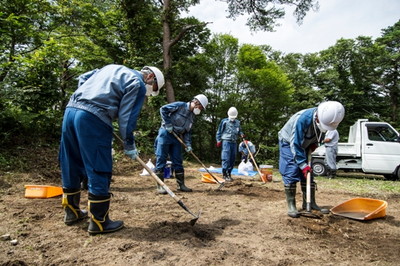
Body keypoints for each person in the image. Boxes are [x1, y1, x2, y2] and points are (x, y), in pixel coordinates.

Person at [59, 64, 165, 234]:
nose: (148, 92)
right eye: (153, 88)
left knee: (71, 161)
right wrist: (129, 144)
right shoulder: (137, 83)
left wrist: (86, 100)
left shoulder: (111, 68)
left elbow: (83, 78)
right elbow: (127, 116)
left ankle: (71, 212)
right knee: (98, 165)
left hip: (71, 110)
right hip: (93, 119)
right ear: (150, 77)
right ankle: (99, 221)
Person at [278, 101, 345, 218]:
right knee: (292, 170)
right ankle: (291, 205)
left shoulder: (329, 119)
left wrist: (315, 144)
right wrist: (302, 165)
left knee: (309, 173)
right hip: (289, 142)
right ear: (318, 117)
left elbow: (322, 134)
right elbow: (295, 143)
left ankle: (310, 203)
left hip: (306, 143)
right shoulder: (302, 119)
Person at [154, 94, 208, 194]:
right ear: (196, 102)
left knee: (178, 160)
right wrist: (168, 124)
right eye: (200, 107)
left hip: (177, 138)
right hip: (166, 134)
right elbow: (163, 109)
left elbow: (187, 132)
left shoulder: (191, 117)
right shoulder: (180, 105)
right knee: (161, 158)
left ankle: (181, 185)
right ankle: (160, 186)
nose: (200, 109)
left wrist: (188, 144)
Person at [216, 107, 245, 182]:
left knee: (232, 158)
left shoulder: (238, 122)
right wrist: (218, 140)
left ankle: (229, 173)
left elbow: (240, 131)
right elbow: (219, 131)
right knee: (226, 158)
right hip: (226, 142)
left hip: (234, 142)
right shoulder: (224, 121)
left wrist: (241, 134)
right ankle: (224, 174)